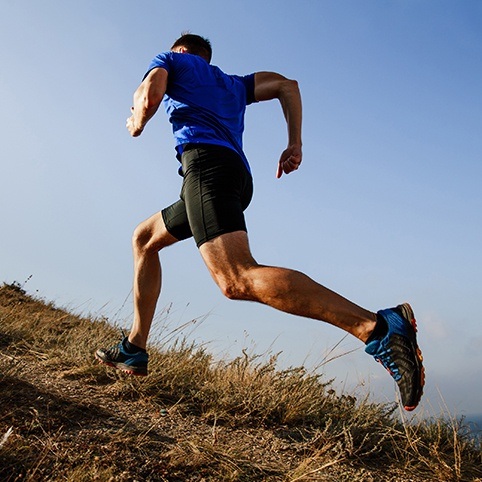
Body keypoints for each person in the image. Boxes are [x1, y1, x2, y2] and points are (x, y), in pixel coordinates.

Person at [96, 34, 425, 411]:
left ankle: (377, 328)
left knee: (235, 278)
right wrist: (295, 142)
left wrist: (137, 121)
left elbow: (149, 94)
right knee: (144, 238)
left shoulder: (173, 60)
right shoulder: (235, 84)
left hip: (207, 171)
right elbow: (288, 86)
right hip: (233, 176)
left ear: (181, 51)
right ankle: (135, 348)